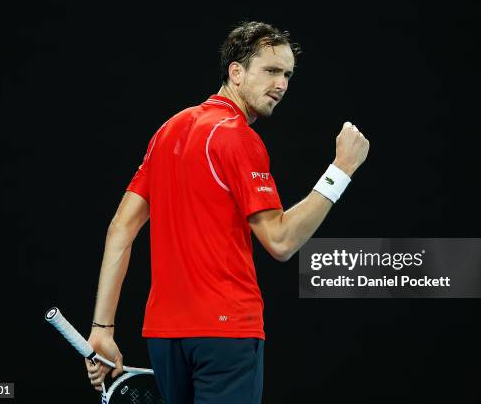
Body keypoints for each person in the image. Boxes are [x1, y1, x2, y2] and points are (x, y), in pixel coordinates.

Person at [84, 21, 369, 403]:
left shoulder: (169, 130)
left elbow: (121, 228)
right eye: (270, 71)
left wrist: (102, 327)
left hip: (165, 336)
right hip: (225, 334)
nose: (281, 84)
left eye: (287, 74)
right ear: (236, 72)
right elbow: (281, 241)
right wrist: (341, 171)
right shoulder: (237, 136)